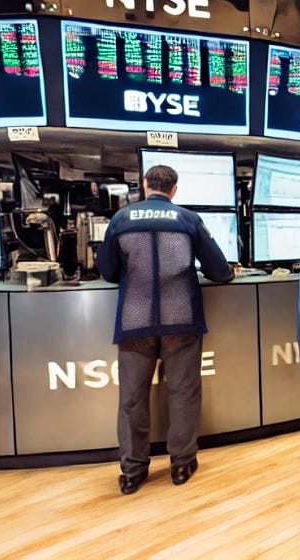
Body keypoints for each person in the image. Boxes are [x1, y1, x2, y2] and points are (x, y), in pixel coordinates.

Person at [96, 164, 234, 495]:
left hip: (135, 322)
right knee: (183, 392)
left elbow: (107, 271)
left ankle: (132, 472)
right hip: (181, 320)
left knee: (131, 398)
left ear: (145, 186)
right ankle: (182, 464)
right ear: (174, 190)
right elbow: (219, 270)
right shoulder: (188, 219)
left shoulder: (121, 220)